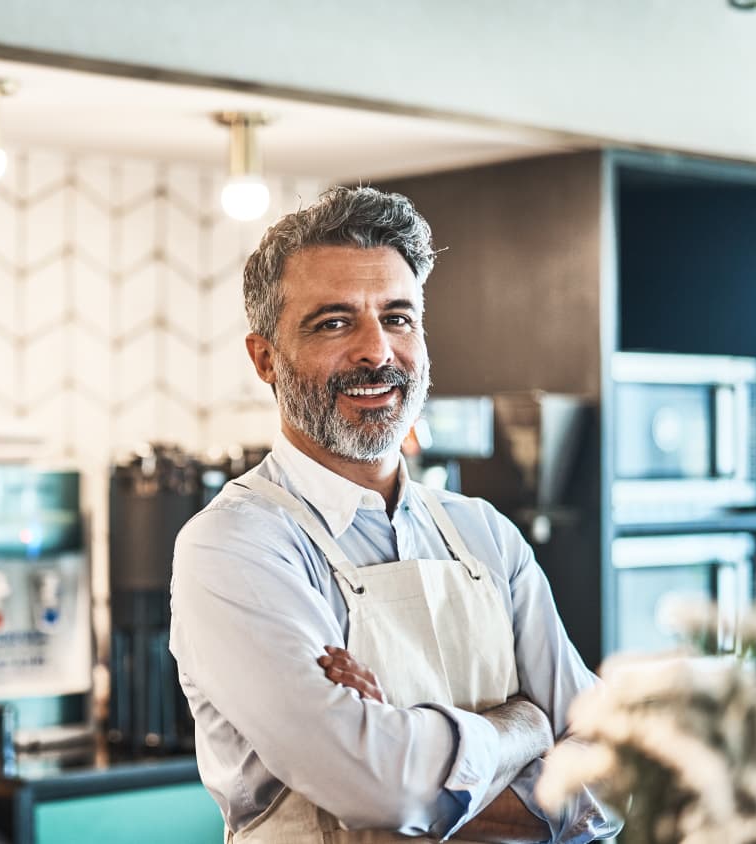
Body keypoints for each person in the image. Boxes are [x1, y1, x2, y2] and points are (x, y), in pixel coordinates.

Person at [168, 186, 617, 843]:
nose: (377, 352)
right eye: (334, 322)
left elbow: (609, 769)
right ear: (265, 358)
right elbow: (378, 787)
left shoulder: (485, 535)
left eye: (398, 318)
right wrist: (523, 725)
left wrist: (409, 758)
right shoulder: (235, 546)